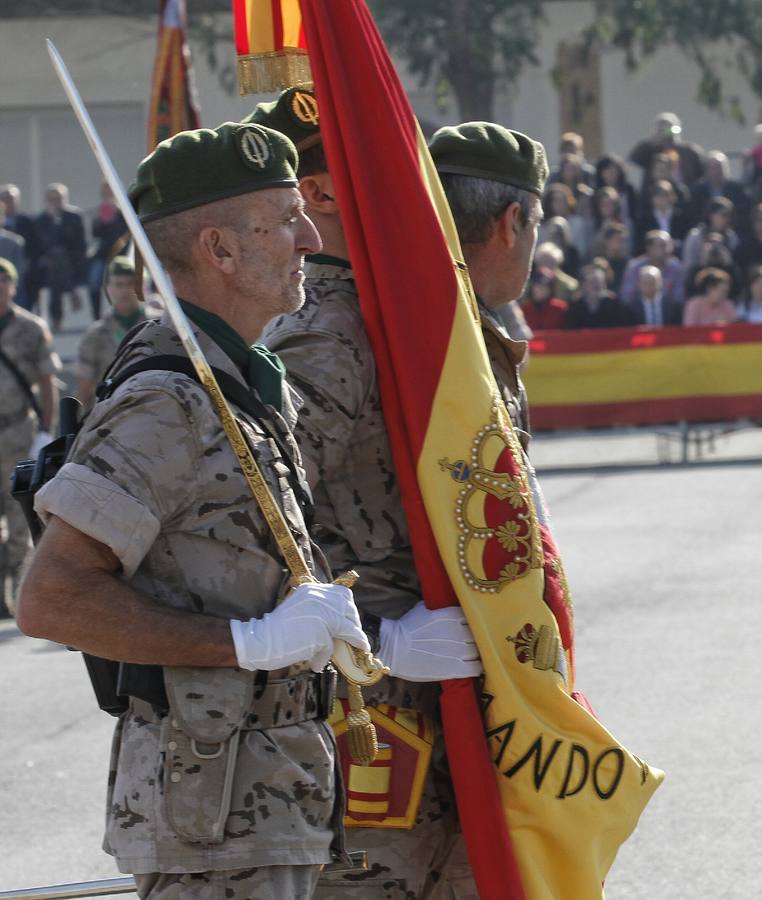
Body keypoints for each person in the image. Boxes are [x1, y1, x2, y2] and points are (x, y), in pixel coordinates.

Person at [15, 122, 370, 898]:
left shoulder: (236, 385)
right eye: (284, 219)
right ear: (218, 249)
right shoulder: (166, 402)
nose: (310, 236)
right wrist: (248, 642)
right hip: (210, 819)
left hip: (268, 800)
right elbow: (50, 597)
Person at [254, 96, 499, 896]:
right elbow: (259, 534)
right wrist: (376, 648)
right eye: (395, 169)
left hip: (447, 688)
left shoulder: (392, 310)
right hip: (371, 711)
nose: (416, 188)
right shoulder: (326, 334)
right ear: (322, 193)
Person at [0, 256, 58, 618]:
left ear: (13, 286)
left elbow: (47, 382)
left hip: (18, 433)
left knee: (19, 523)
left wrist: (44, 432)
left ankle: (16, 600)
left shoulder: (31, 328)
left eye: (3, 282)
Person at [73, 257, 154, 407]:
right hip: (111, 416)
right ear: (108, 288)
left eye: (130, 284)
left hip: (155, 410)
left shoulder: (159, 326)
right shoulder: (96, 335)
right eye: (118, 284)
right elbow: (84, 387)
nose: (124, 290)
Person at [27, 183, 86, 332]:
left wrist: (59, 222)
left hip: (72, 260)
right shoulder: (41, 220)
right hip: (49, 262)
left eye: (59, 198)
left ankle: (56, 319)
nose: (56, 202)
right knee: (55, 257)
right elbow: (44, 244)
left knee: (57, 263)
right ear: (47, 201)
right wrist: (54, 221)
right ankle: (72, 291)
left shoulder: (74, 216)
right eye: (52, 199)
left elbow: (78, 242)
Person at [628, 111, 706, 188]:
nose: (664, 129)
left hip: (685, 194)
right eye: (661, 126)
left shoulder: (690, 151)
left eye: (668, 126)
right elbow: (634, 159)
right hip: (655, 194)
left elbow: (702, 174)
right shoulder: (650, 150)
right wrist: (654, 139)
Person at [88, 182, 130, 320]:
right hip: (103, 255)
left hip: (122, 255)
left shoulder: (125, 211)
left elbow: (127, 232)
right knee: (94, 281)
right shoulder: (100, 212)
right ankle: (96, 317)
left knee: (124, 282)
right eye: (105, 192)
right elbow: (95, 233)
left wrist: (118, 213)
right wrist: (102, 219)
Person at [620, 229, 686, 305]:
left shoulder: (676, 267)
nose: (668, 249)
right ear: (650, 248)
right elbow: (627, 297)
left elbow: (679, 298)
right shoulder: (635, 267)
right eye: (662, 245)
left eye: (669, 245)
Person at [564, 261, 628, 329]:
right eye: (593, 281)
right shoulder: (574, 307)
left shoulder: (614, 304)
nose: (598, 285)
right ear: (583, 284)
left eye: (600, 281)